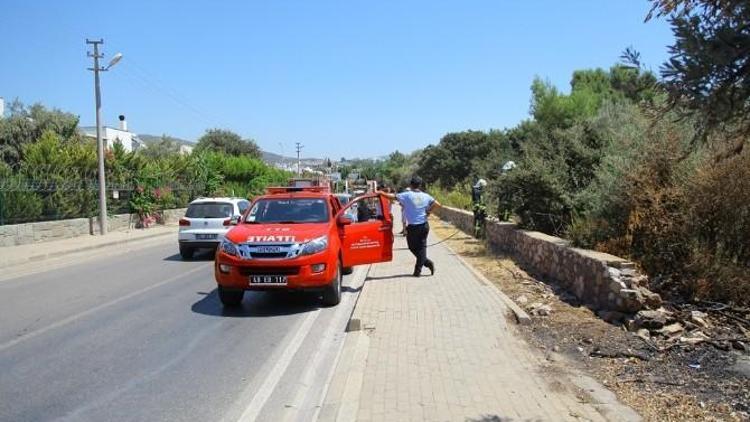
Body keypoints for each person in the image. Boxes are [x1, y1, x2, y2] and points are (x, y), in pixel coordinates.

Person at [379, 176, 441, 277]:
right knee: (420, 248)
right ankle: (426, 262)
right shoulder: (426, 196)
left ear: (411, 185)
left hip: (414, 227)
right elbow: (438, 204)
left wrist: (381, 193)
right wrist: (429, 211)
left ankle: (419, 270)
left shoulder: (407, 195)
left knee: (413, 247)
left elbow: (392, 197)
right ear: (420, 185)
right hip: (424, 225)